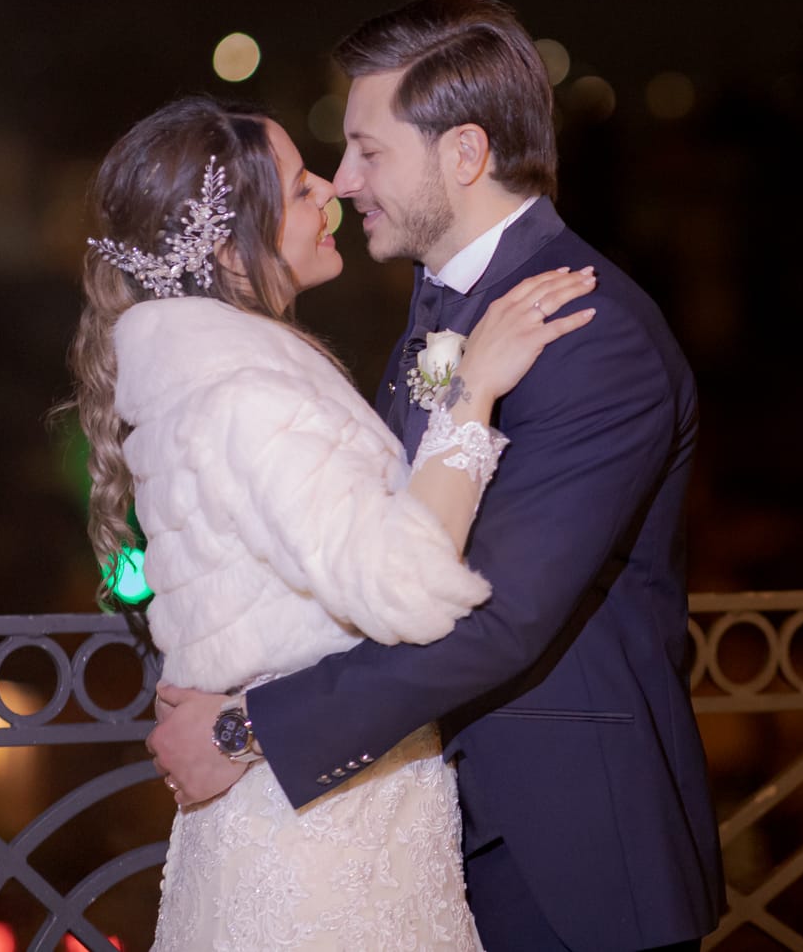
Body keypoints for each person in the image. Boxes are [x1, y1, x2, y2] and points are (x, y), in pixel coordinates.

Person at [148, 0, 726, 951]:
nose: (343, 177)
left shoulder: (590, 330)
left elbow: (495, 612)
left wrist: (249, 730)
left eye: (369, 149)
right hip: (444, 839)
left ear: (463, 154)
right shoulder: (444, 308)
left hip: (569, 859)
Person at [70, 94, 597, 949]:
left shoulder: (215, 375)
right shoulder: (250, 392)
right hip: (325, 846)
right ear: (229, 243)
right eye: (301, 182)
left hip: (301, 811)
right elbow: (408, 585)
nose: (334, 191)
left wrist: (454, 356)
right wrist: (474, 394)